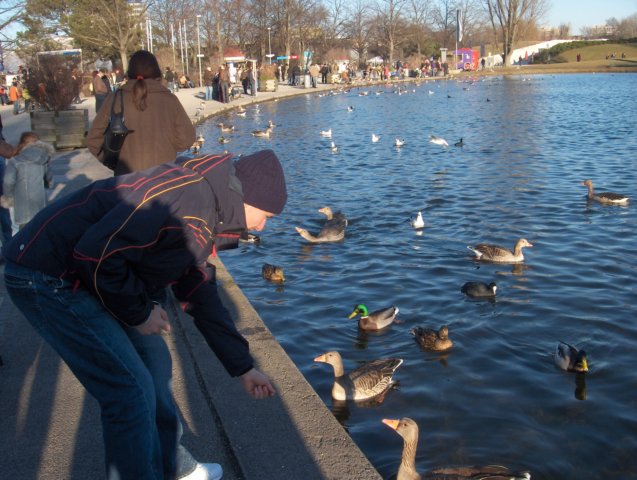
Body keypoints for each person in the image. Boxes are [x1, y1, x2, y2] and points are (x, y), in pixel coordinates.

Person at [2, 149, 286, 480]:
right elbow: (94, 255)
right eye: (265, 215)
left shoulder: (209, 205)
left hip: (83, 272)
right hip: (45, 275)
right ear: (245, 197)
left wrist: (243, 366)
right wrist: (138, 314)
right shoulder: (192, 206)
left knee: (155, 363)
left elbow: (197, 287)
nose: (263, 226)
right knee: (129, 390)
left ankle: (170, 465)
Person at [86, 50, 195, 175]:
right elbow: (186, 139)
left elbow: (93, 139)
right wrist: (167, 149)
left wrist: (112, 161)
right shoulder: (169, 100)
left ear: (129, 72)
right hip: (164, 179)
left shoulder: (116, 98)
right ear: (156, 72)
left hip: (126, 181)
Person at [0, 131, 53, 230]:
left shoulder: (15, 161)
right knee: (40, 227)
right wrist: (47, 184)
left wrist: (8, 197)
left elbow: (8, 181)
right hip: (40, 202)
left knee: (21, 231)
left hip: (22, 206)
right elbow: (48, 177)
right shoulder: (44, 159)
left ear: (22, 144)